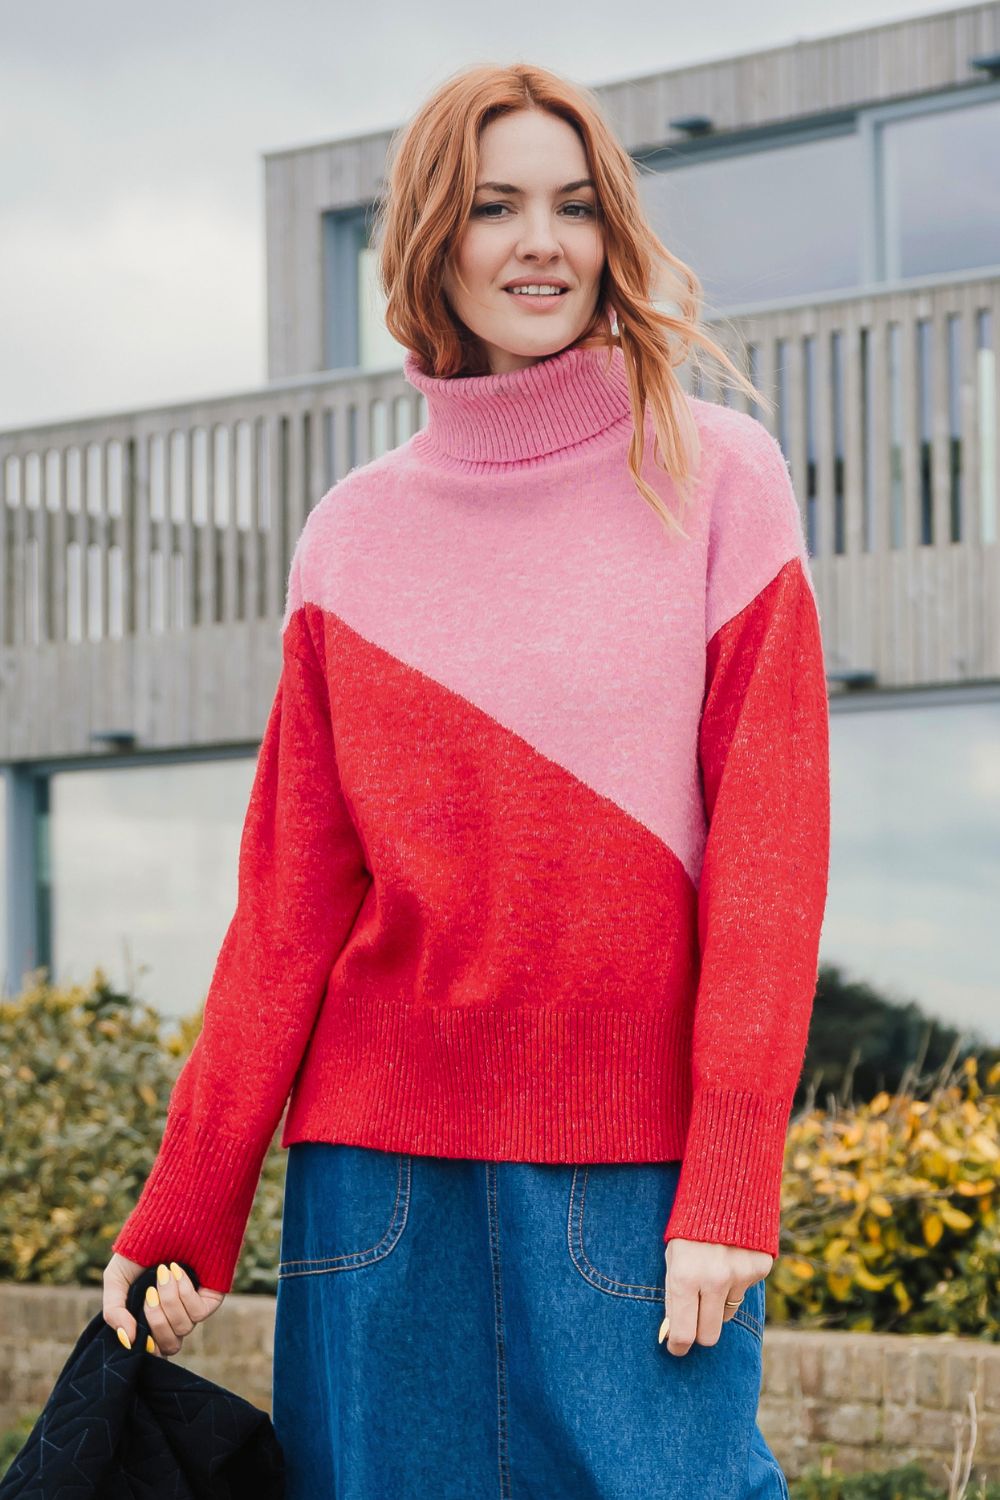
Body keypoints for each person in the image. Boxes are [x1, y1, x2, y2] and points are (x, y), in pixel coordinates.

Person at [103, 61, 829, 1499]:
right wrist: (189, 1200)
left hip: (634, 1181)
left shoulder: (719, 478)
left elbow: (771, 853)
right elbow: (289, 905)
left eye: (575, 206)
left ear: (614, 235)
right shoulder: (349, 535)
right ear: (433, 238)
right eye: (496, 207)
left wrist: (734, 1176)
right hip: (373, 1188)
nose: (541, 243)